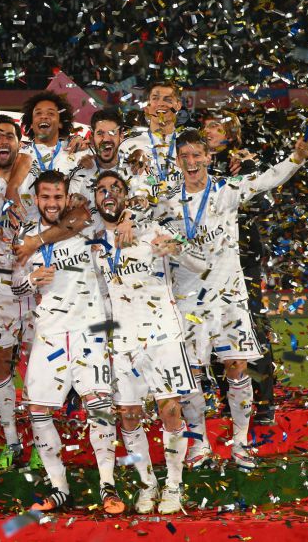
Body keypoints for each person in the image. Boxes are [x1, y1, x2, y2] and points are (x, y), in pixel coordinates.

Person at [156, 127, 308, 470]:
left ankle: (242, 443)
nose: (191, 161)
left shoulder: (226, 190)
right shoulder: (167, 200)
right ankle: (199, 443)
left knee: (237, 367)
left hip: (229, 296)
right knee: (193, 373)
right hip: (188, 299)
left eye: (196, 155)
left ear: (208, 157)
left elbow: (265, 180)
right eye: (184, 156)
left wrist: (298, 157)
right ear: (177, 161)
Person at [12, 170, 124, 515]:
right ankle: (59, 488)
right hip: (49, 332)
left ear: (67, 197)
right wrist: (31, 280)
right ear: (36, 198)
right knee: (38, 410)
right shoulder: (23, 233)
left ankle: (107, 484)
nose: (51, 203)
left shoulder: (85, 222)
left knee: (99, 405)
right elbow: (13, 285)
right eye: (45, 197)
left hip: (89, 328)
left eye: (57, 196)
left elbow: (99, 214)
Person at [91, 170, 201, 514]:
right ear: (95, 199)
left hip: (162, 335)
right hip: (123, 341)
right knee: (127, 415)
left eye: (115, 188)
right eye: (101, 190)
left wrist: (177, 249)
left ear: (126, 196)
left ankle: (174, 485)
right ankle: (147, 484)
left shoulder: (152, 230)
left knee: (170, 409)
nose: (108, 194)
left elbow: (200, 264)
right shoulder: (95, 245)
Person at [201, 110, 276, 425]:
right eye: (205, 126)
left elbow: (264, 204)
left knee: (252, 325)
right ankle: (224, 397)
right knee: (211, 326)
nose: (208, 131)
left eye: (215, 127)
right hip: (206, 260)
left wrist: (247, 171)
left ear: (231, 135)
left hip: (242, 259)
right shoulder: (196, 163)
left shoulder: (246, 162)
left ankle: (264, 402)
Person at [0, 115, 41, 471]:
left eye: (9, 136)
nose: (3, 141)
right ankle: (12, 440)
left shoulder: (38, 173)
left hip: (36, 283)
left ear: (20, 141)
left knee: (38, 363)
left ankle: (41, 440)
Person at [118, 81, 183, 191]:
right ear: (147, 106)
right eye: (155, 99)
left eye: (168, 99)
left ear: (178, 106)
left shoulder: (189, 145)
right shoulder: (128, 145)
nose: (161, 104)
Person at [20, 90, 77, 174]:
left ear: (60, 123)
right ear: (31, 124)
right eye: (38, 113)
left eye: (50, 113)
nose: (44, 116)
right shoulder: (18, 156)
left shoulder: (74, 153)